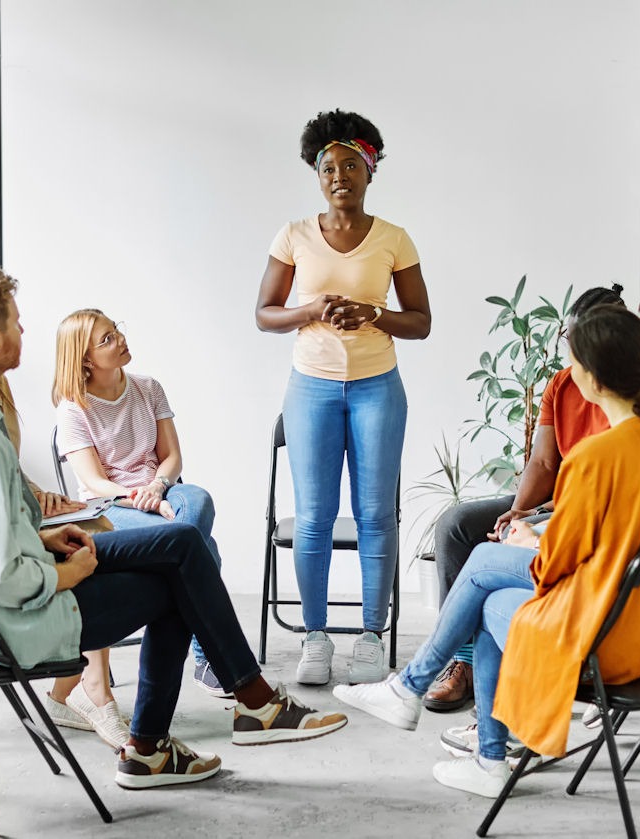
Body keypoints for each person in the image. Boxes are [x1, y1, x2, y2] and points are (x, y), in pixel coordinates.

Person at [0, 267, 347, 791]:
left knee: (182, 543)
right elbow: (3, 578)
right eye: (17, 324)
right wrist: (71, 570)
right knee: (180, 580)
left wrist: (41, 538)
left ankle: (229, 714)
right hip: (2, 625)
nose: (24, 334)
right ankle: (205, 726)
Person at [332, 304, 640, 798]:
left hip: (612, 646)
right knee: (488, 585)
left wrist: (532, 538)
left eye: (573, 362)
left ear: (593, 380)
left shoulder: (599, 456)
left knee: (487, 577)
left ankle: (433, 710)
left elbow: (556, 568)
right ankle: (454, 729)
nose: (568, 371)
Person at [255, 109, 432, 686]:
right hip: (312, 389)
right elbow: (264, 314)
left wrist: (374, 314)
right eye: (328, 166)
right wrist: (310, 310)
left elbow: (422, 321)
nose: (339, 175)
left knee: (376, 515)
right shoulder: (294, 236)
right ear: (317, 173)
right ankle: (315, 637)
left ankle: (372, 637)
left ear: (369, 170)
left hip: (378, 388)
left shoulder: (394, 239)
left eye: (351, 165)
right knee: (314, 518)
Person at [0, 340, 130, 749]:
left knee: (99, 526)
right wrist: (58, 562)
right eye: (12, 322)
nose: (21, 332)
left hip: (20, 514)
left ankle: (72, 691)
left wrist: (40, 494)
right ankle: (95, 690)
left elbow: (9, 468)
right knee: (102, 546)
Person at [424, 285, 624, 713]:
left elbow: (606, 495)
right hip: (554, 505)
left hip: (581, 518)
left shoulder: (629, 401)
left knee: (489, 557)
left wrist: (538, 519)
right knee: (457, 526)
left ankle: (462, 666)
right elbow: (544, 463)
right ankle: (461, 668)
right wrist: (519, 509)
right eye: (570, 341)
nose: (574, 354)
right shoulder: (562, 384)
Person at [52, 308, 230, 698]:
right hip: (111, 508)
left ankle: (201, 646)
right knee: (202, 548)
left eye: (116, 331)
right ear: (85, 359)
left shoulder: (149, 388)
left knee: (198, 500)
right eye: (107, 339)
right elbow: (95, 483)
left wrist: (158, 487)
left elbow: (172, 457)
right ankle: (207, 658)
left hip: (164, 492)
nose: (120, 340)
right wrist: (138, 499)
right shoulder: (73, 409)